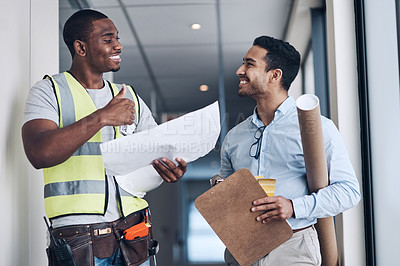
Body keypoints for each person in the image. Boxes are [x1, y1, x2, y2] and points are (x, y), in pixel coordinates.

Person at [22, 9, 187, 266]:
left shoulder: (129, 96)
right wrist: (101, 117)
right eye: (108, 39)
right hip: (79, 236)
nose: (118, 45)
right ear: (81, 47)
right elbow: (39, 153)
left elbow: (153, 154)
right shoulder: (49, 91)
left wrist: (169, 170)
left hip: (134, 231)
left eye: (117, 38)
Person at [219, 36, 361, 265]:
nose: (239, 70)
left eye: (249, 64)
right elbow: (225, 190)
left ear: (275, 75)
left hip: (293, 246)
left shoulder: (317, 128)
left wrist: (294, 206)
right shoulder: (234, 137)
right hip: (242, 248)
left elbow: (348, 192)